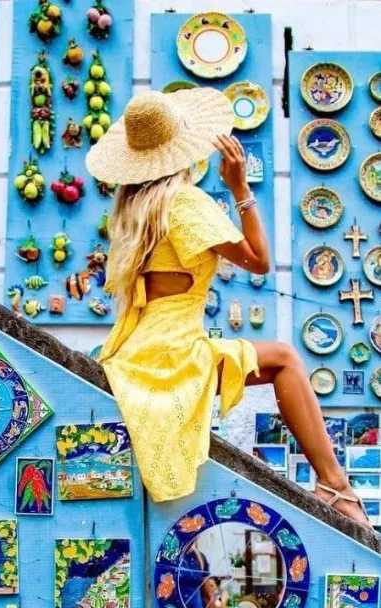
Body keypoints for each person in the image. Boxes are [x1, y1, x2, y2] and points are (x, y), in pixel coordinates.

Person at [86, 88, 369, 527]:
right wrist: (241, 189)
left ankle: (336, 487)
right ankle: (336, 486)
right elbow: (258, 261)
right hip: (171, 355)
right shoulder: (183, 204)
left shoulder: (133, 210)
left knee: (278, 358)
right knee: (286, 358)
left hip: (134, 352)